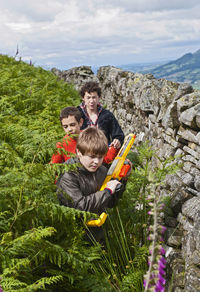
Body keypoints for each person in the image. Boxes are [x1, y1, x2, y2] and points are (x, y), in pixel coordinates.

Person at [56, 127, 132, 243]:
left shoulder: (101, 171)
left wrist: (122, 180)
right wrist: (107, 191)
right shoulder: (69, 176)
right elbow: (78, 207)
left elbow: (110, 203)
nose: (96, 162)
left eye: (100, 157)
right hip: (73, 238)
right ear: (79, 153)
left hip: (98, 234)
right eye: (92, 157)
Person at [51, 106, 118, 165]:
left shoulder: (91, 136)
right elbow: (54, 167)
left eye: (72, 125)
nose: (69, 129)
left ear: (80, 122)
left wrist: (114, 148)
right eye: (65, 127)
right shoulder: (61, 144)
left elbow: (104, 159)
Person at [78, 81, 124, 149]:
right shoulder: (77, 114)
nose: (91, 101)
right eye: (88, 97)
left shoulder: (107, 115)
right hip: (83, 152)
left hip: (104, 151)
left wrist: (117, 141)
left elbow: (119, 135)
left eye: (94, 97)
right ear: (83, 98)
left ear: (99, 97)